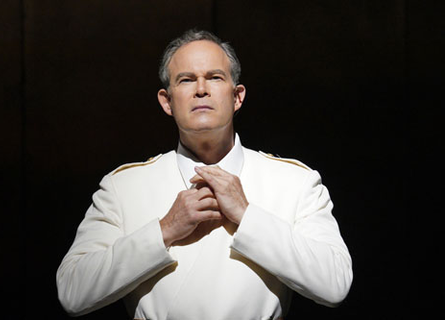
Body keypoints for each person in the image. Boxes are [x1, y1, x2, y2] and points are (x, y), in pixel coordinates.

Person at [56, 29, 353, 319]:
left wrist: (247, 216)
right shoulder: (124, 187)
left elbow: (335, 284)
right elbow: (72, 291)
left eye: (215, 77)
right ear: (167, 101)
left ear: (237, 97)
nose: (201, 89)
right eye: (186, 80)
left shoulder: (293, 182)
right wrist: (165, 229)